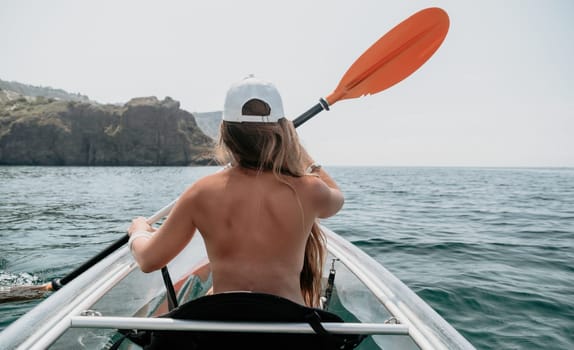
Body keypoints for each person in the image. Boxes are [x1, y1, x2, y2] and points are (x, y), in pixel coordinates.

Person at [127, 76, 343, 308]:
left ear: (225, 132)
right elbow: (336, 197)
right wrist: (297, 150)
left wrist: (138, 232)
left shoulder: (201, 192)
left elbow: (149, 260)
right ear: (283, 131)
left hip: (225, 326)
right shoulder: (309, 189)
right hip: (288, 327)